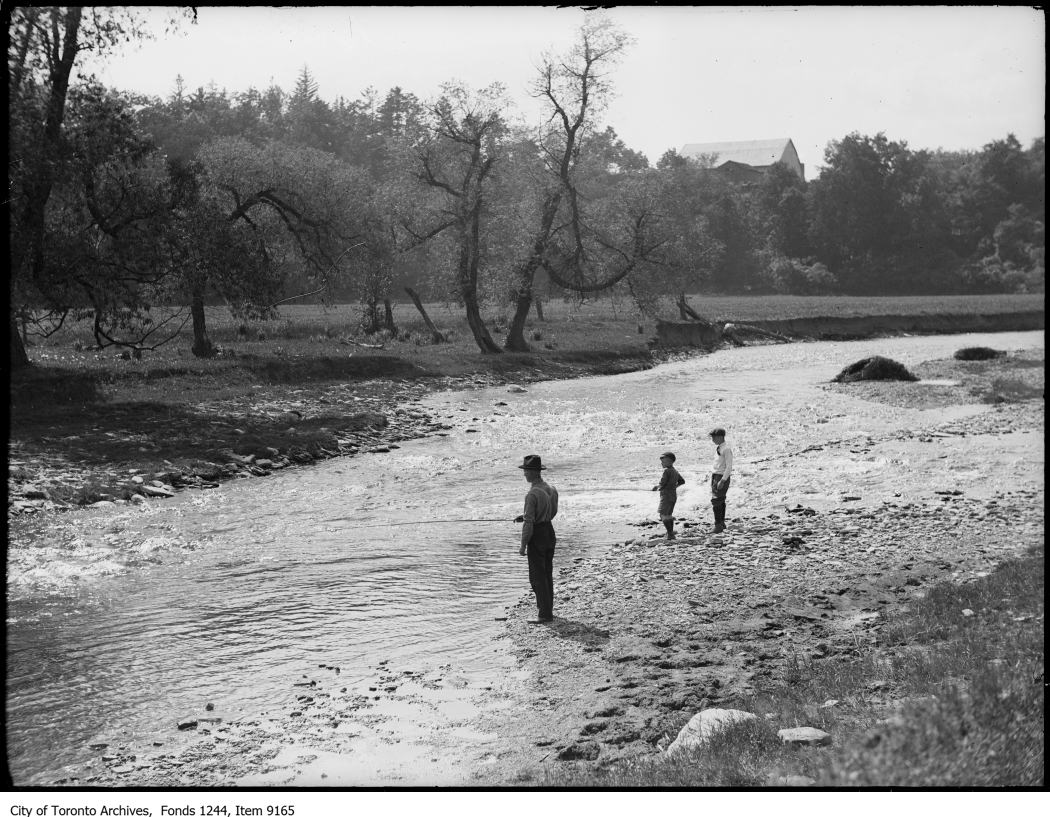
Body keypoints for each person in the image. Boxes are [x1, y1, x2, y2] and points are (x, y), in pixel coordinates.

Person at [513, 454, 559, 623]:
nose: (524, 474)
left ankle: (545, 615)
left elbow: (529, 525)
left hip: (537, 536)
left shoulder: (531, 495)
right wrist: (526, 516)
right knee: (547, 573)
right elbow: (551, 512)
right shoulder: (551, 489)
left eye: (525, 471)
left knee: (537, 577)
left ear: (533, 472)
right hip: (549, 532)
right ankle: (548, 610)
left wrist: (523, 546)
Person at [652, 451, 685, 540]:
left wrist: (657, 487)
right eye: (661, 462)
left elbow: (662, 484)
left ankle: (670, 534)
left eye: (664, 462)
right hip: (673, 496)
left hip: (666, 496)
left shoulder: (666, 471)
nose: (662, 463)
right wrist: (674, 487)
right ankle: (670, 533)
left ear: (670, 462)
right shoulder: (675, 471)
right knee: (669, 515)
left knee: (663, 515)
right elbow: (682, 481)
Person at [708, 428, 733, 533]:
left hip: (721, 476)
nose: (713, 439)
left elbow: (729, 466)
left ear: (720, 437)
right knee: (720, 499)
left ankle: (718, 524)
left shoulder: (726, 449)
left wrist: (722, 480)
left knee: (716, 500)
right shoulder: (719, 448)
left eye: (714, 437)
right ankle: (721, 523)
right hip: (716, 475)